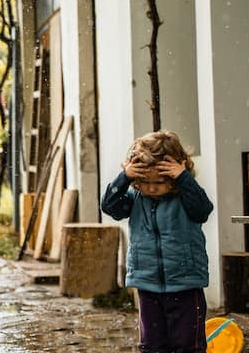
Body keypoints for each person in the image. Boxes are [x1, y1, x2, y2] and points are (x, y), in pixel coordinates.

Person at [100, 130, 214, 353]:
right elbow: (109, 206)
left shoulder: (185, 197)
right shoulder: (134, 199)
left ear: (175, 175)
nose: (151, 188)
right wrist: (125, 177)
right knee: (152, 345)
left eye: (159, 182)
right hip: (148, 284)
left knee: (188, 344)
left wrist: (184, 178)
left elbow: (203, 210)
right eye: (145, 182)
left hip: (185, 284)